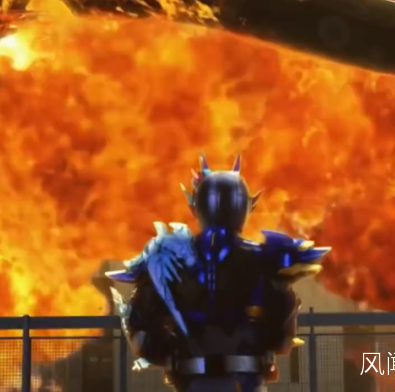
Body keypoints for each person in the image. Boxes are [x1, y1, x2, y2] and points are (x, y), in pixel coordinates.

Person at [106, 154, 331, 392]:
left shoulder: (167, 258)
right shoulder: (264, 259)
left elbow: (141, 330)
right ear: (245, 206)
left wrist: (171, 352)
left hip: (197, 379)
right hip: (241, 380)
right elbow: (280, 333)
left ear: (197, 205)